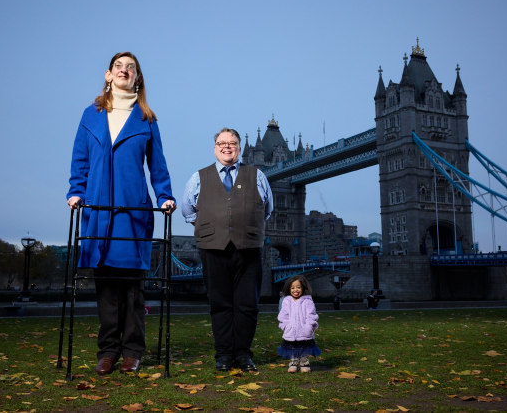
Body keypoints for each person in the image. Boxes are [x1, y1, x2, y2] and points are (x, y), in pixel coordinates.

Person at [67, 52, 176, 376]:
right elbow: (80, 159)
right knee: (106, 289)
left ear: (137, 78)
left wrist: (165, 195)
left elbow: (158, 165)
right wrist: (76, 190)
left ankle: (132, 351)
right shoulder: (91, 115)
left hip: (132, 211)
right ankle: (108, 351)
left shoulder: (146, 119)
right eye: (119, 66)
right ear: (108, 75)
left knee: (132, 289)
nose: (125, 70)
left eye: (131, 67)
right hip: (99, 211)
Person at [182, 128, 273, 372]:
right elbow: (188, 211)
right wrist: (215, 225)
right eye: (222, 143)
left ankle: (243, 355)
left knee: (247, 304)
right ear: (215, 148)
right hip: (213, 249)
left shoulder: (257, 176)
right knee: (220, 304)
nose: (227, 147)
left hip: (249, 248)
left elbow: (267, 209)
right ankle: (223, 355)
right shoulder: (198, 177)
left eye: (232, 143)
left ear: (239, 148)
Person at [277, 275, 321, 373]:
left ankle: (304, 361)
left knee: (303, 347)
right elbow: (283, 316)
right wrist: (285, 326)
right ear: (289, 288)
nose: (295, 290)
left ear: (303, 288)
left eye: (298, 287)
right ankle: (294, 361)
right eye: (292, 287)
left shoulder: (307, 301)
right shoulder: (286, 301)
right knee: (293, 347)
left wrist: (309, 327)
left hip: (304, 331)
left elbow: (312, 316)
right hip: (291, 331)